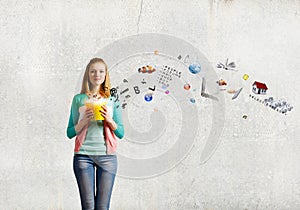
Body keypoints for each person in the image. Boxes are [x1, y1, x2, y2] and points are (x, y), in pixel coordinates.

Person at [66, 57, 124, 210]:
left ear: (105, 75)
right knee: (88, 207)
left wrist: (109, 120)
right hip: (83, 157)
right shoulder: (79, 99)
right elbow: (70, 132)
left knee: (103, 207)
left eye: (100, 71)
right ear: (88, 75)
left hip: (108, 158)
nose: (97, 74)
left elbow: (121, 133)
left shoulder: (111, 99)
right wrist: (83, 121)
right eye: (93, 71)